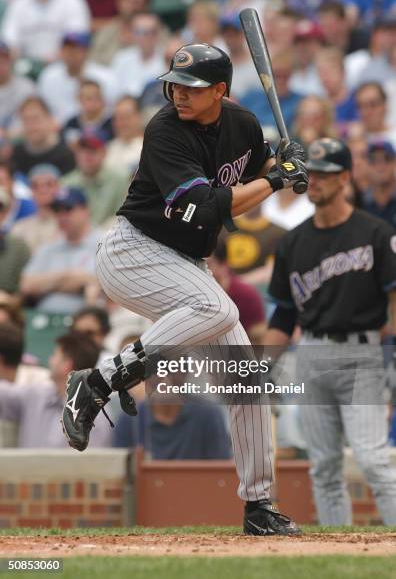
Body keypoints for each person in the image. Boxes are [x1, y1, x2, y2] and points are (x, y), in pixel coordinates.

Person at [61, 42, 308, 536]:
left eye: (191, 87)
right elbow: (210, 204)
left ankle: (258, 505)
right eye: (173, 84)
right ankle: (101, 380)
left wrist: (282, 162)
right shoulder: (163, 130)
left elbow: (247, 179)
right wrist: (277, 182)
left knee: (245, 378)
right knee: (215, 306)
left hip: (186, 261)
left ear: (220, 90)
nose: (178, 93)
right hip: (133, 252)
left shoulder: (243, 126)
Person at [264, 137, 396, 526]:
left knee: (373, 461)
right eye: (312, 174)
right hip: (312, 354)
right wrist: (261, 368)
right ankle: (340, 553)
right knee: (323, 466)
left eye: (324, 174)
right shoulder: (292, 243)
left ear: (343, 179)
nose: (315, 181)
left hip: (363, 353)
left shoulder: (374, 233)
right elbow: (283, 318)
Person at [0, 331, 111, 447]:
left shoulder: (97, 416)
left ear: (66, 364)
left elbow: (92, 462)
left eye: (55, 355)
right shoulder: (37, 394)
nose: (50, 360)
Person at [20, 187, 101, 315]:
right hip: (44, 318)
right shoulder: (50, 246)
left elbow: (100, 284)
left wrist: (48, 285)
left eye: (68, 209)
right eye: (57, 210)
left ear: (86, 210)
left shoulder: (104, 243)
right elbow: (26, 285)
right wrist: (68, 277)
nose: (62, 216)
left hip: (84, 320)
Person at [1, 0, 90, 64]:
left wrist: (55, 58)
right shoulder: (19, 2)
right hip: (24, 65)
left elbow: (77, 39)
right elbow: (9, 39)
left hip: (62, 65)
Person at [11, 163, 61, 253]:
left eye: (49, 185)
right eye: (35, 186)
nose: (42, 190)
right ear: (31, 191)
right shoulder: (19, 229)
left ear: (59, 188)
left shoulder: (67, 225)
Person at [361, 140, 396, 228]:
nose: (380, 166)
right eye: (373, 160)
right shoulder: (360, 201)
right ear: (366, 165)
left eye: (386, 158)